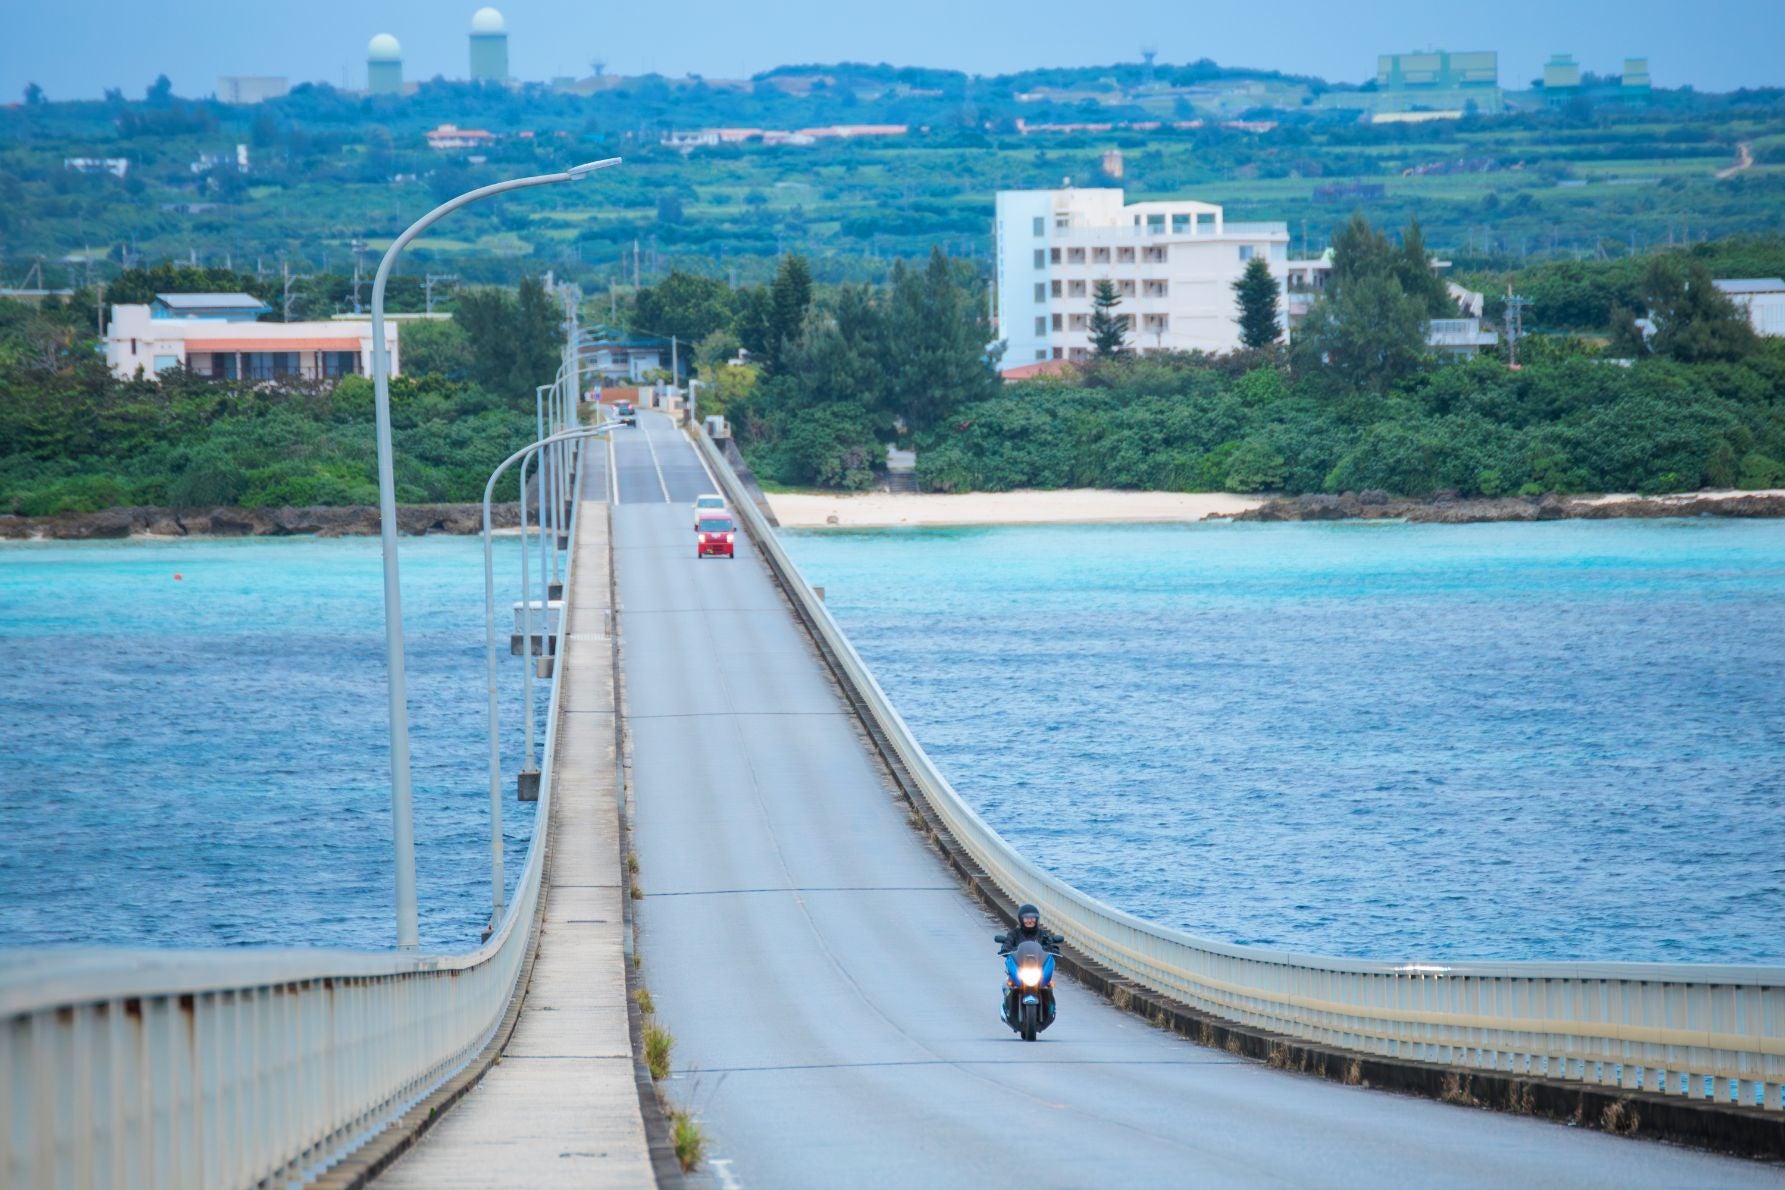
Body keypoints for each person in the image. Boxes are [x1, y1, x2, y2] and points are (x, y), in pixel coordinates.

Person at [996, 903, 1062, 955]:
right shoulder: (1014, 933)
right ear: (1021, 919)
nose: (1030, 921)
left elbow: (1049, 945)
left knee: (1048, 968)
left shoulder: (1042, 934)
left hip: (1038, 965)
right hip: (1019, 964)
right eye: (1026, 918)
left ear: (1036, 919)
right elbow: (1008, 942)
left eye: (1032, 918)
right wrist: (1005, 949)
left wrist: (1054, 950)